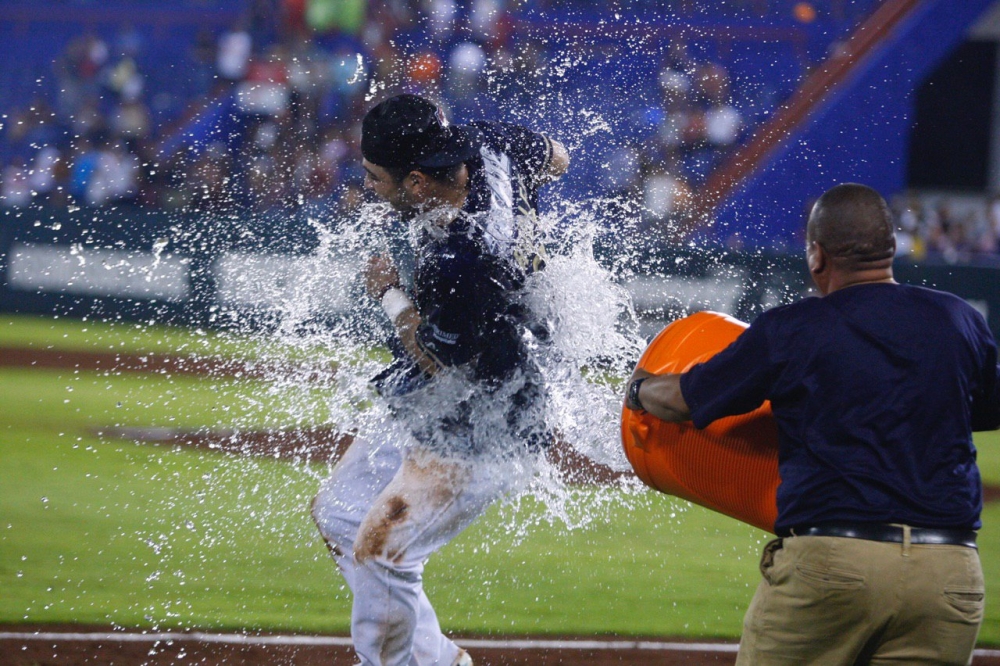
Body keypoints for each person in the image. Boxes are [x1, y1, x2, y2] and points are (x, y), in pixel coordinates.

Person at [625, 183, 1000, 665]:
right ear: (890, 247)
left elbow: (684, 401)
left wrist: (639, 388)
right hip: (949, 574)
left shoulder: (794, 328)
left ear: (817, 256)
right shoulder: (960, 319)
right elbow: (986, 409)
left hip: (835, 565)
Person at [311, 93, 569, 666]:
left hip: (490, 413)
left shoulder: (459, 262)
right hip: (449, 394)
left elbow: (433, 358)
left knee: (381, 552)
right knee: (340, 513)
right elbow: (558, 157)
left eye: (377, 178)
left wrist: (389, 294)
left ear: (420, 183)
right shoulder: (488, 141)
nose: (370, 187)